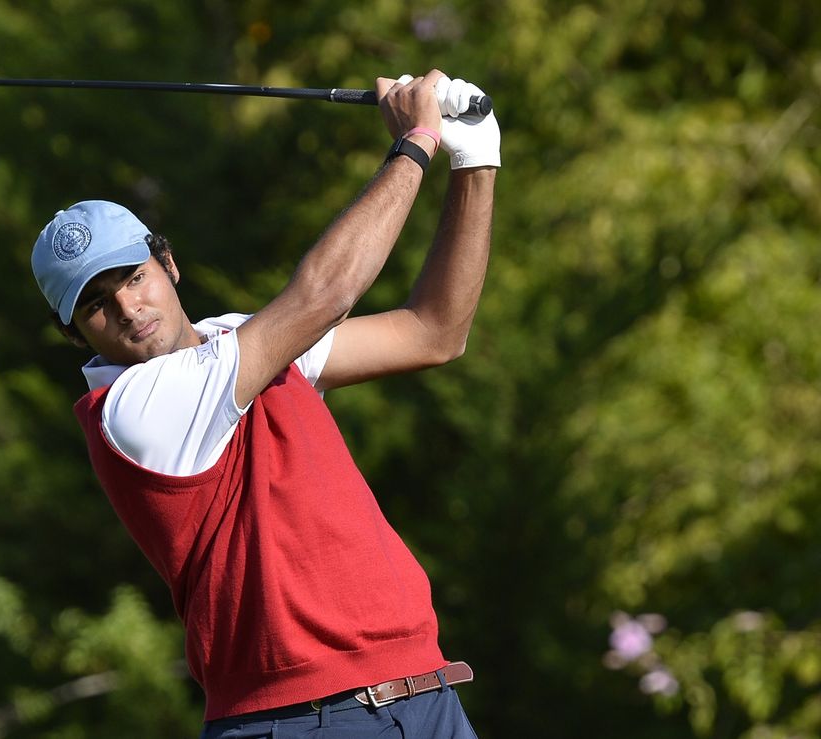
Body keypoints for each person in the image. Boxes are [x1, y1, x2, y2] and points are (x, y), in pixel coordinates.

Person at [31, 70, 499, 738]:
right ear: (75, 333)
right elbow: (323, 295)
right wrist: (416, 143)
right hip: (303, 720)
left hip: (423, 690)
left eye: (133, 277)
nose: (129, 310)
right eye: (96, 304)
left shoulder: (235, 341)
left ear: (167, 262)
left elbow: (434, 332)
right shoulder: (133, 409)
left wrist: (475, 159)